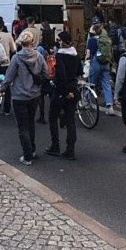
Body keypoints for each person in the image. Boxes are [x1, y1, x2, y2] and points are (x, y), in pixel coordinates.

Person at [1, 30, 48, 166]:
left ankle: (27, 156)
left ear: (21, 43)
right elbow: (46, 72)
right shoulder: (39, 56)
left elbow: (9, 76)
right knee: (31, 122)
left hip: (19, 96)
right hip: (34, 95)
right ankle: (32, 150)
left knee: (22, 127)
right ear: (32, 42)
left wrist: (3, 87)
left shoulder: (17, 58)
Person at [46, 31, 80, 159]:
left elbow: (60, 75)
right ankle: (70, 150)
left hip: (61, 91)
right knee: (71, 120)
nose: (58, 42)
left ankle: (55, 145)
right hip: (73, 88)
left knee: (52, 117)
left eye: (59, 40)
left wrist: (64, 91)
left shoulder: (60, 55)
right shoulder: (75, 54)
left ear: (64, 42)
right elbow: (79, 71)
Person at [86, 22, 115, 115]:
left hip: (96, 63)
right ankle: (110, 106)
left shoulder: (92, 40)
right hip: (106, 63)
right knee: (106, 83)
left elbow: (88, 54)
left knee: (91, 83)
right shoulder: (106, 39)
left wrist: (86, 61)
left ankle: (86, 101)